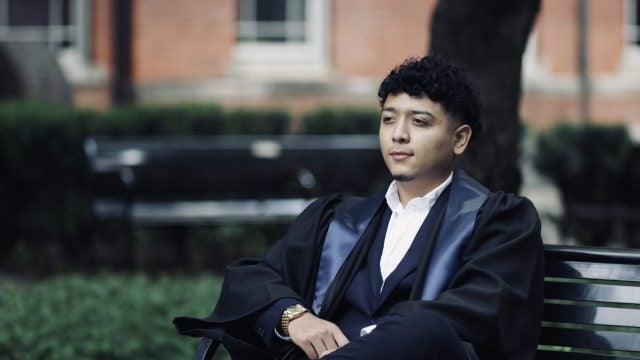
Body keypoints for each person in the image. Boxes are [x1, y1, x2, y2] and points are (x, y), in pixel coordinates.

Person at [174, 55, 544, 360]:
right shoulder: (337, 219)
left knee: (426, 327)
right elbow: (251, 277)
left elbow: (482, 313)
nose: (398, 134)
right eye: (388, 119)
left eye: (419, 121)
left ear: (460, 139)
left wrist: (377, 338)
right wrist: (295, 317)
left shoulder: (499, 221)